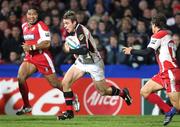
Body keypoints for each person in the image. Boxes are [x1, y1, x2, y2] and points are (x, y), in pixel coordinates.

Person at [57, 10, 132, 120]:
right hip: (82, 62)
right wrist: (69, 50)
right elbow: (73, 48)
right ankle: (69, 112)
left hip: (94, 64)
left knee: (103, 92)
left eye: (67, 23)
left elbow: (84, 49)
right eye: (64, 24)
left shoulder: (80, 30)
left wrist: (70, 51)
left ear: (74, 22)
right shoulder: (71, 33)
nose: (65, 26)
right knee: (65, 83)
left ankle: (123, 93)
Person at [16, 6, 80, 115]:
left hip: (42, 57)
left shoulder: (42, 26)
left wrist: (31, 48)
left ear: (37, 15)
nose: (31, 16)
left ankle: (73, 97)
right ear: (26, 15)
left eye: (34, 14)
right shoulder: (24, 26)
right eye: (29, 14)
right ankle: (27, 106)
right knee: (20, 78)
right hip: (30, 57)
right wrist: (28, 50)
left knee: (55, 84)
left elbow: (47, 43)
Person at [123, 13, 180, 126]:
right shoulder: (168, 36)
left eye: (152, 25)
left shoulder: (158, 35)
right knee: (145, 91)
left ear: (155, 25)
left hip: (169, 73)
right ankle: (168, 111)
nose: (151, 27)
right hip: (165, 73)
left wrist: (132, 51)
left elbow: (147, 52)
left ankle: (170, 110)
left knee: (178, 106)